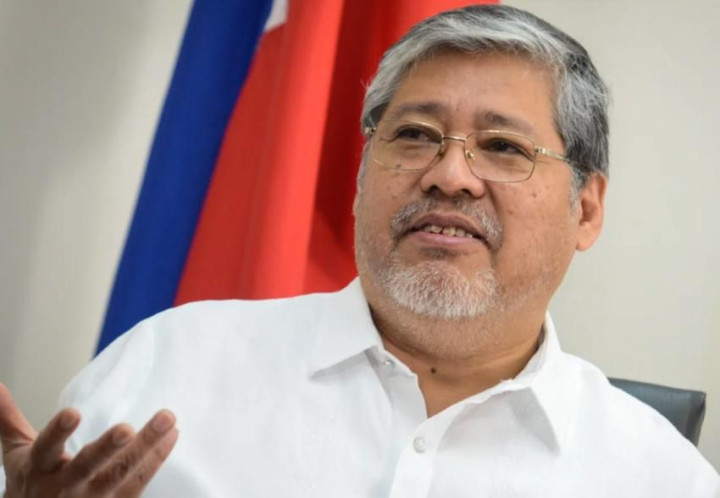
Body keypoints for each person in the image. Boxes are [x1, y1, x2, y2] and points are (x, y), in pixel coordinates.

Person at [1, 4, 718, 497]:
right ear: (361, 178)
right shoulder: (170, 363)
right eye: (414, 135)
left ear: (586, 209)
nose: (449, 175)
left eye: (503, 146)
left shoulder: (659, 477)